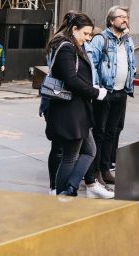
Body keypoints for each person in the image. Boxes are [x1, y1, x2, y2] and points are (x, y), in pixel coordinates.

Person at [43, 12, 110, 197]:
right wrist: (96, 92)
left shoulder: (72, 46)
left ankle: (71, 187)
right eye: (86, 34)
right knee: (70, 157)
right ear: (74, 29)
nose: (88, 38)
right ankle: (62, 194)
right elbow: (71, 80)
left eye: (90, 35)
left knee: (89, 151)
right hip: (70, 111)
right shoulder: (66, 47)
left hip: (78, 110)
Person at [84, 6, 136, 186]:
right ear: (111, 20)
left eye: (126, 17)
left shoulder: (128, 40)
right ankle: (95, 171)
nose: (125, 19)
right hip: (105, 93)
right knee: (99, 132)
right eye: (121, 17)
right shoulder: (101, 39)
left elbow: (130, 62)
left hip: (121, 92)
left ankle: (106, 169)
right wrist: (98, 89)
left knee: (112, 133)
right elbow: (92, 64)